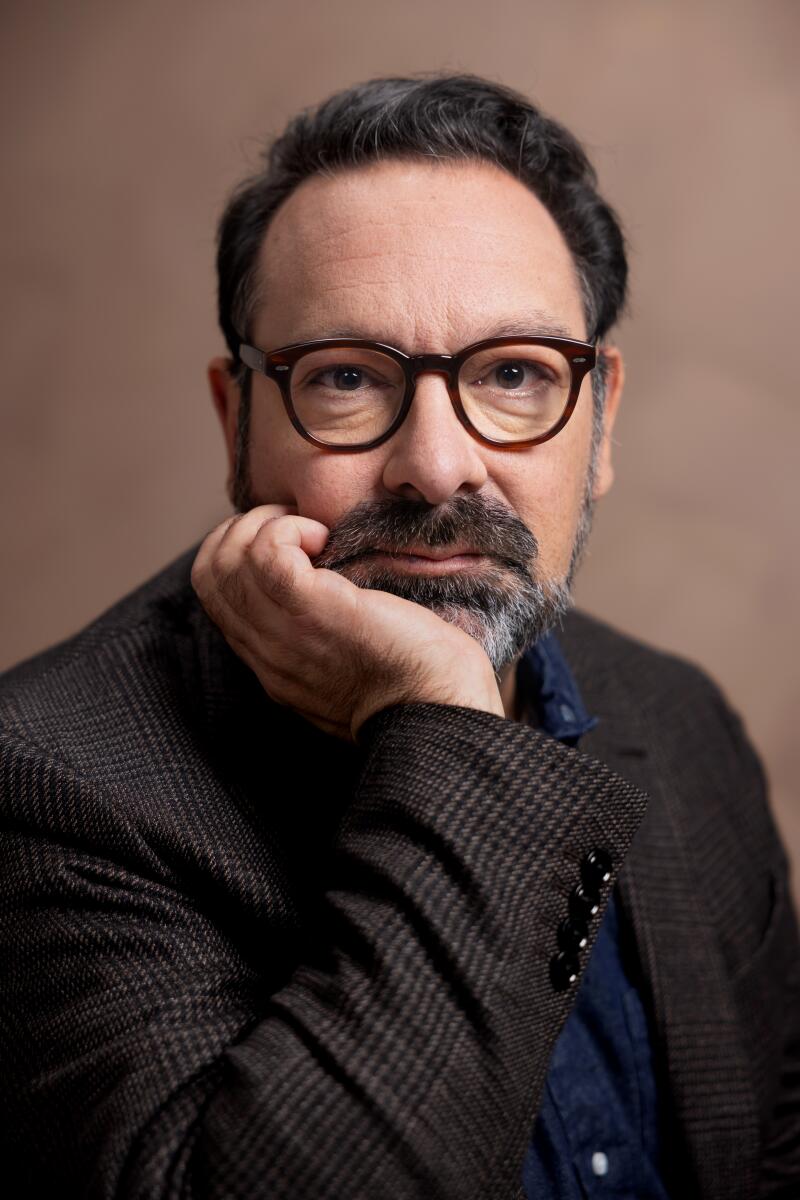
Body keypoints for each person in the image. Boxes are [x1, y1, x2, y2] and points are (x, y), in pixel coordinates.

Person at [1, 73, 797, 1200]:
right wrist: (443, 722)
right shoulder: (45, 783)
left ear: (600, 421)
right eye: (343, 379)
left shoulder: (679, 717)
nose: (434, 463)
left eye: (515, 375)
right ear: (238, 425)